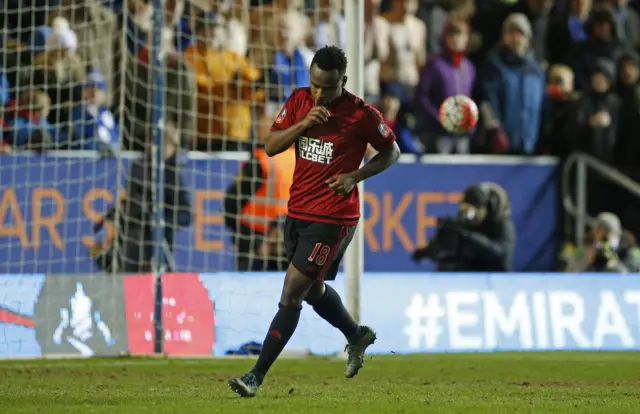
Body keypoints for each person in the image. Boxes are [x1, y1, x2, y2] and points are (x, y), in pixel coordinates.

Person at [228, 46, 401, 398]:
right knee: (312, 291)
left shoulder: (360, 114)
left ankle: (255, 376)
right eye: (316, 85)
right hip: (298, 212)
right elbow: (271, 145)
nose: (320, 93)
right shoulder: (298, 101)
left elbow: (392, 151)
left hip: (334, 218)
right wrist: (303, 124)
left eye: (329, 87)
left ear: (344, 81)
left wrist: (355, 175)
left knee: (291, 291)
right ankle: (356, 334)